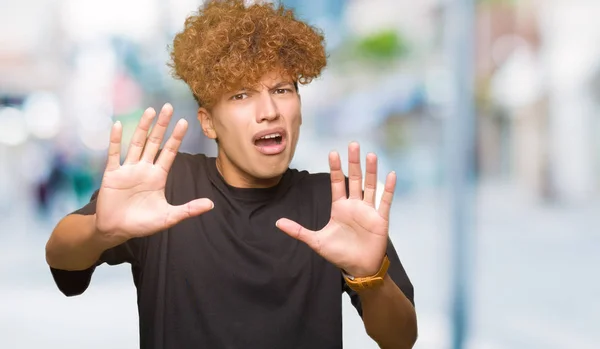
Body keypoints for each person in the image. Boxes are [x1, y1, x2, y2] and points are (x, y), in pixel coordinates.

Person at [44, 1, 417, 348]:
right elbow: (60, 257)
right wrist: (98, 231)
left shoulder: (335, 203)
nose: (269, 110)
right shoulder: (168, 186)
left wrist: (369, 279)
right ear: (208, 123)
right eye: (241, 95)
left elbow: (400, 339)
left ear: (299, 108)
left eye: (282, 89)